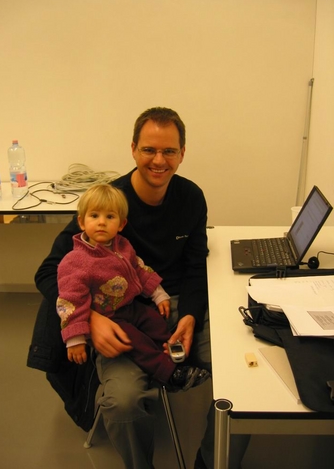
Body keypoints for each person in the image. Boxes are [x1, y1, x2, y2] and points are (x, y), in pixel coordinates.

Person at [33, 107, 249, 469]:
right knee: (123, 402)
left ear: (183, 153)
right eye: (149, 150)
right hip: (119, 314)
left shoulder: (191, 198)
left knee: (243, 382)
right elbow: (48, 271)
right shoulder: (106, 203)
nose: (159, 160)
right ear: (133, 149)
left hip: (176, 305)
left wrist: (192, 316)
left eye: (169, 151)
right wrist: (92, 321)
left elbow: (196, 266)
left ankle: (211, 462)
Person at [56, 183, 210, 391]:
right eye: (94, 216)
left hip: (131, 307)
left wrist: (159, 295)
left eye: (110, 217)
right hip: (109, 318)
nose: (102, 222)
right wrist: (75, 338)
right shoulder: (74, 261)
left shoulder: (122, 246)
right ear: (81, 222)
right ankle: (169, 374)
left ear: (121, 224)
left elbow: (140, 270)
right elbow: (70, 300)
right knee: (136, 342)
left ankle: (173, 358)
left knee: (156, 323)